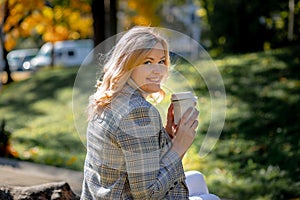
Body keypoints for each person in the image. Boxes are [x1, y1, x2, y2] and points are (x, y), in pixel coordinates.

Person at [81, 26, 220, 200]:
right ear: (127, 64)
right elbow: (147, 193)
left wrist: (167, 137)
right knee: (211, 198)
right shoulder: (138, 111)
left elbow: (137, 160)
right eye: (147, 62)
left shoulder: (107, 99)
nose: (158, 70)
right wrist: (179, 146)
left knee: (197, 179)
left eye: (162, 61)